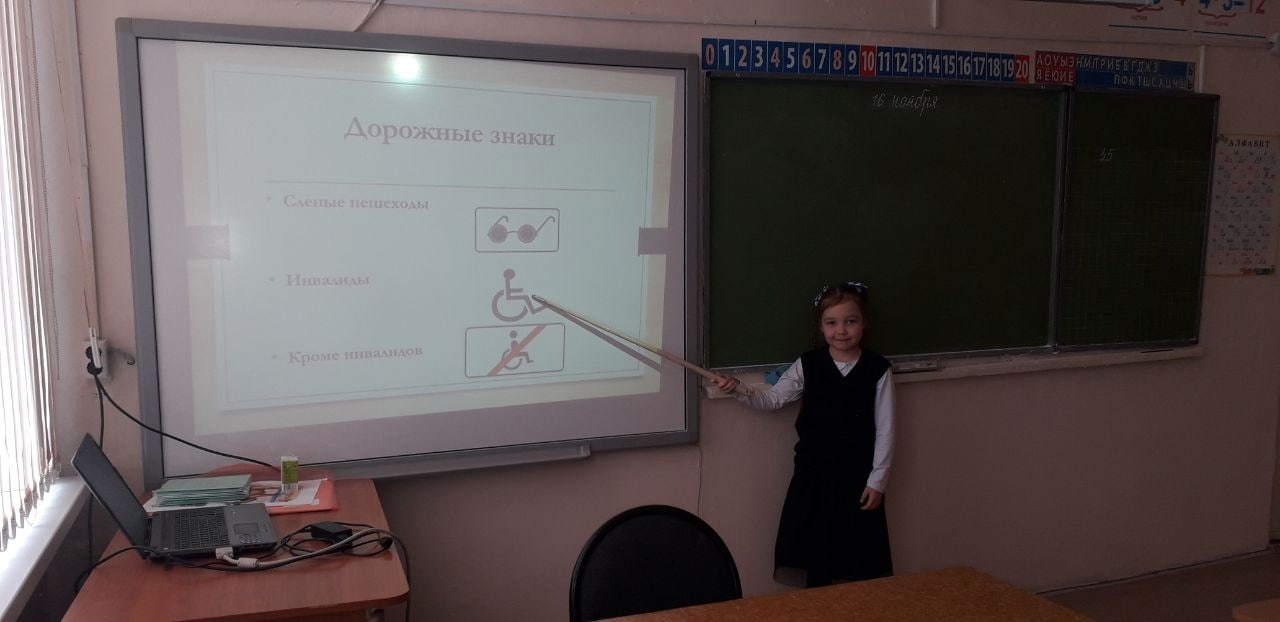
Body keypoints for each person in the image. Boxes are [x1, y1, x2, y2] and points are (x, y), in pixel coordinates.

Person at [714, 281, 895, 588]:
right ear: (821, 327)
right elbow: (772, 399)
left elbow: (886, 430)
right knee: (816, 560)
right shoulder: (808, 364)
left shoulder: (878, 369)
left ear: (863, 323)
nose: (841, 330)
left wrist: (877, 481)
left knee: (857, 564)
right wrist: (738, 389)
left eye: (850, 321)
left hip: (857, 480)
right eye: (831, 323)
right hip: (813, 478)